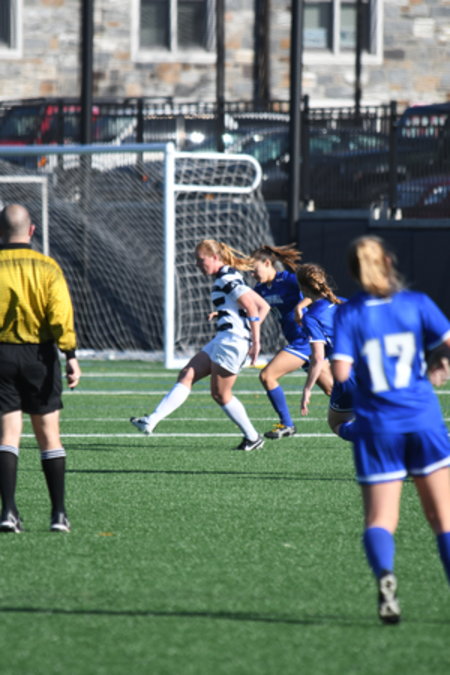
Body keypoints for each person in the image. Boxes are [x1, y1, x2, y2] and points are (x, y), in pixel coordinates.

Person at [332, 235, 450, 624]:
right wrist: (438, 364)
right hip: (423, 420)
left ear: (353, 271)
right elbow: (448, 344)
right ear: (388, 262)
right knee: (443, 520)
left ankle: (385, 575)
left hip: (378, 426)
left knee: (380, 520)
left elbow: (341, 373)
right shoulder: (417, 303)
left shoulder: (349, 313)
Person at [130, 239, 270, 451]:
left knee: (221, 394)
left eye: (200, 259)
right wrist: (225, 314)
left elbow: (252, 307)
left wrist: (255, 340)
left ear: (215, 257)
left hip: (232, 341)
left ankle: (252, 437)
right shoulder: (227, 275)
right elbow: (263, 306)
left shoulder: (227, 277)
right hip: (224, 339)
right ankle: (151, 420)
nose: (197, 264)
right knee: (187, 374)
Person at [0, 204, 81, 533]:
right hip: (40, 356)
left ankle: (8, 512)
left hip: (1, 355)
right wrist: (70, 354)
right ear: (31, 231)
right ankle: (58, 514)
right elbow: (60, 314)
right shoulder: (48, 267)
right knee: (49, 435)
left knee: (7, 435)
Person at [251, 244, 333, 439]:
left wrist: (299, 306)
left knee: (267, 376)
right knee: (333, 390)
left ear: (267, 263)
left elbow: (317, 291)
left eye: (254, 269)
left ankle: (287, 424)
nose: (252, 274)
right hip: (299, 341)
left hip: (305, 339)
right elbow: (248, 309)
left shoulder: (288, 279)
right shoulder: (260, 289)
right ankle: (374, 415)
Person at [296, 263, 355, 439]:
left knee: (336, 423)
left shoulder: (311, 317)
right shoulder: (344, 302)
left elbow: (318, 358)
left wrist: (307, 389)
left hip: (348, 376)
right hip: (373, 370)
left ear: (302, 288)